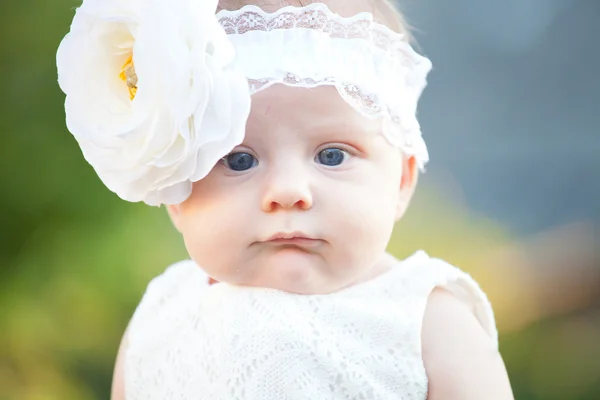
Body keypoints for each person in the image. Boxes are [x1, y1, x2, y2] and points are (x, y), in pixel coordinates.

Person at [56, 0, 514, 398]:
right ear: (174, 190)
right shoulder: (159, 319)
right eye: (238, 161)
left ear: (401, 182)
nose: (289, 191)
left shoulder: (427, 326)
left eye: (332, 155)